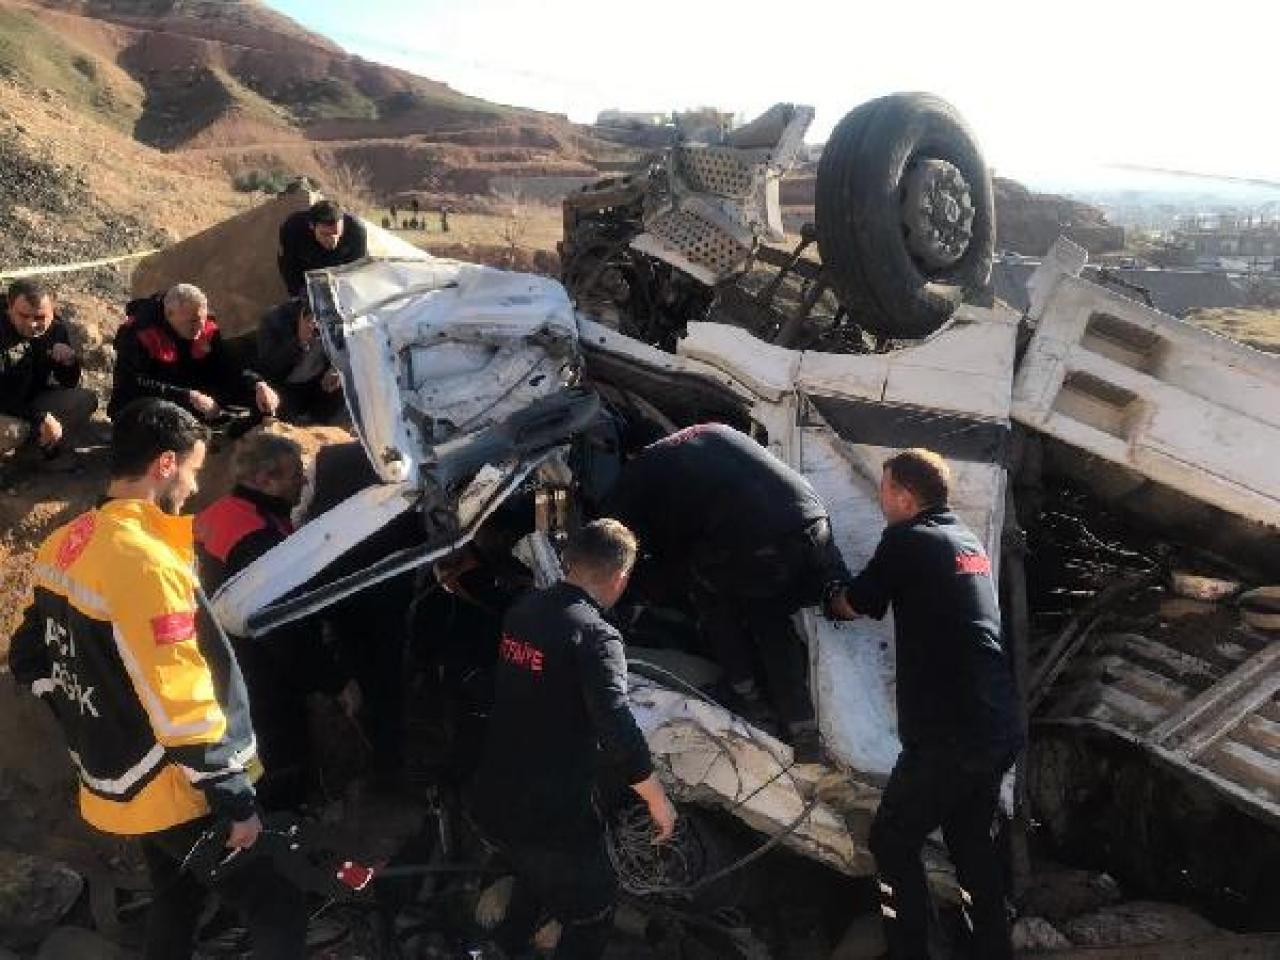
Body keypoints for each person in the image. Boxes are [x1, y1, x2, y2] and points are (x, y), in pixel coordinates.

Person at [8, 398, 307, 959]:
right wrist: (235, 800)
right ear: (164, 464)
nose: (194, 487)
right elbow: (180, 696)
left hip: (125, 775)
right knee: (278, 908)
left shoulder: (67, 542)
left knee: (178, 899)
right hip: (181, 790)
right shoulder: (145, 562)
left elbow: (29, 654)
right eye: (193, 470)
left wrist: (78, 710)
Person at [827, 449, 1022, 960]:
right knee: (969, 840)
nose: (881, 497)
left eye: (885, 489)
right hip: (996, 724)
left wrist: (826, 593)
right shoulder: (965, 540)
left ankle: (908, 951)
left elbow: (857, 603)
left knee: (892, 841)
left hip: (950, 734)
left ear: (905, 497)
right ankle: (990, 951)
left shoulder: (907, 539)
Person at [470, 519, 676, 960]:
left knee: (532, 877)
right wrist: (658, 801)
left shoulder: (523, 609)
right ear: (621, 577)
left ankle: (503, 947)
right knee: (592, 909)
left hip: (495, 793)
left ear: (569, 561)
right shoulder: (598, 637)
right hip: (550, 813)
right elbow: (616, 726)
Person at [604, 423, 850, 759]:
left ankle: (747, 698)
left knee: (708, 595)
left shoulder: (640, 471)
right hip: (812, 523)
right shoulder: (712, 431)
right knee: (771, 620)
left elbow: (614, 541)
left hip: (760, 546)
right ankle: (802, 727)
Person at [195, 432, 360, 811]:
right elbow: (283, 629)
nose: (303, 481)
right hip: (260, 676)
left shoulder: (220, 514)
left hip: (217, 663)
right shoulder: (256, 539)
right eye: (293, 474)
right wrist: (335, 681)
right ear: (263, 479)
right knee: (280, 757)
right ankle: (280, 829)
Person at [109, 284, 279, 422]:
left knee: (255, 398)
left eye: (202, 320)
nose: (199, 330)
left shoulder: (205, 327)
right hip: (146, 403)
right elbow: (133, 383)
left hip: (192, 393)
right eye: (192, 322)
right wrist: (187, 396)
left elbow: (226, 366)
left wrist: (257, 384)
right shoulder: (139, 332)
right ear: (170, 314)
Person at [0, 279, 97, 461]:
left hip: (29, 399)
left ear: (52, 312)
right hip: (5, 406)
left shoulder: (55, 330)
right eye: (23, 316)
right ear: (9, 309)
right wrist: (40, 418)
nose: (32, 324)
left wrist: (68, 362)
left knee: (84, 401)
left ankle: (31, 456)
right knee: (13, 431)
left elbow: (68, 382)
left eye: (39, 317)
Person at [255, 298, 344, 424]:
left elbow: (346, 347)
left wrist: (336, 368)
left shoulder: (336, 312)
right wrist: (300, 341)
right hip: (288, 387)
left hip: (320, 382)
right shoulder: (275, 319)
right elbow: (270, 365)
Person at [277, 199, 368, 297]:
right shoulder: (293, 229)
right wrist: (299, 295)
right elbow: (288, 267)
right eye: (325, 234)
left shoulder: (356, 231)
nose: (332, 240)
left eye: (336, 233)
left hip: (340, 271)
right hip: (307, 268)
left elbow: (356, 270)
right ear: (312, 226)